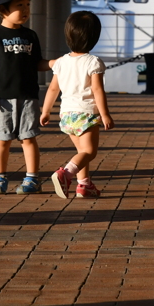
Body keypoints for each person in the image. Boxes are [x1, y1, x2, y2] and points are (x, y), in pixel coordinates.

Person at [0, 0, 54, 195]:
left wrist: (53, 63)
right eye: (19, 5)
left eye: (27, 5)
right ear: (3, 9)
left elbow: (37, 63)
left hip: (28, 96)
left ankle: (32, 178)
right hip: (1, 98)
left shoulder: (30, 36)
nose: (25, 10)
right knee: (2, 139)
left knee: (28, 138)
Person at [42, 11, 115, 199]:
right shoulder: (93, 62)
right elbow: (98, 90)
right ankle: (65, 174)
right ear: (94, 37)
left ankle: (84, 185)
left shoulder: (61, 62)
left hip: (66, 116)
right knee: (89, 152)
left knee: (81, 152)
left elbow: (52, 90)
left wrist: (46, 111)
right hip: (86, 114)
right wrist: (105, 114)